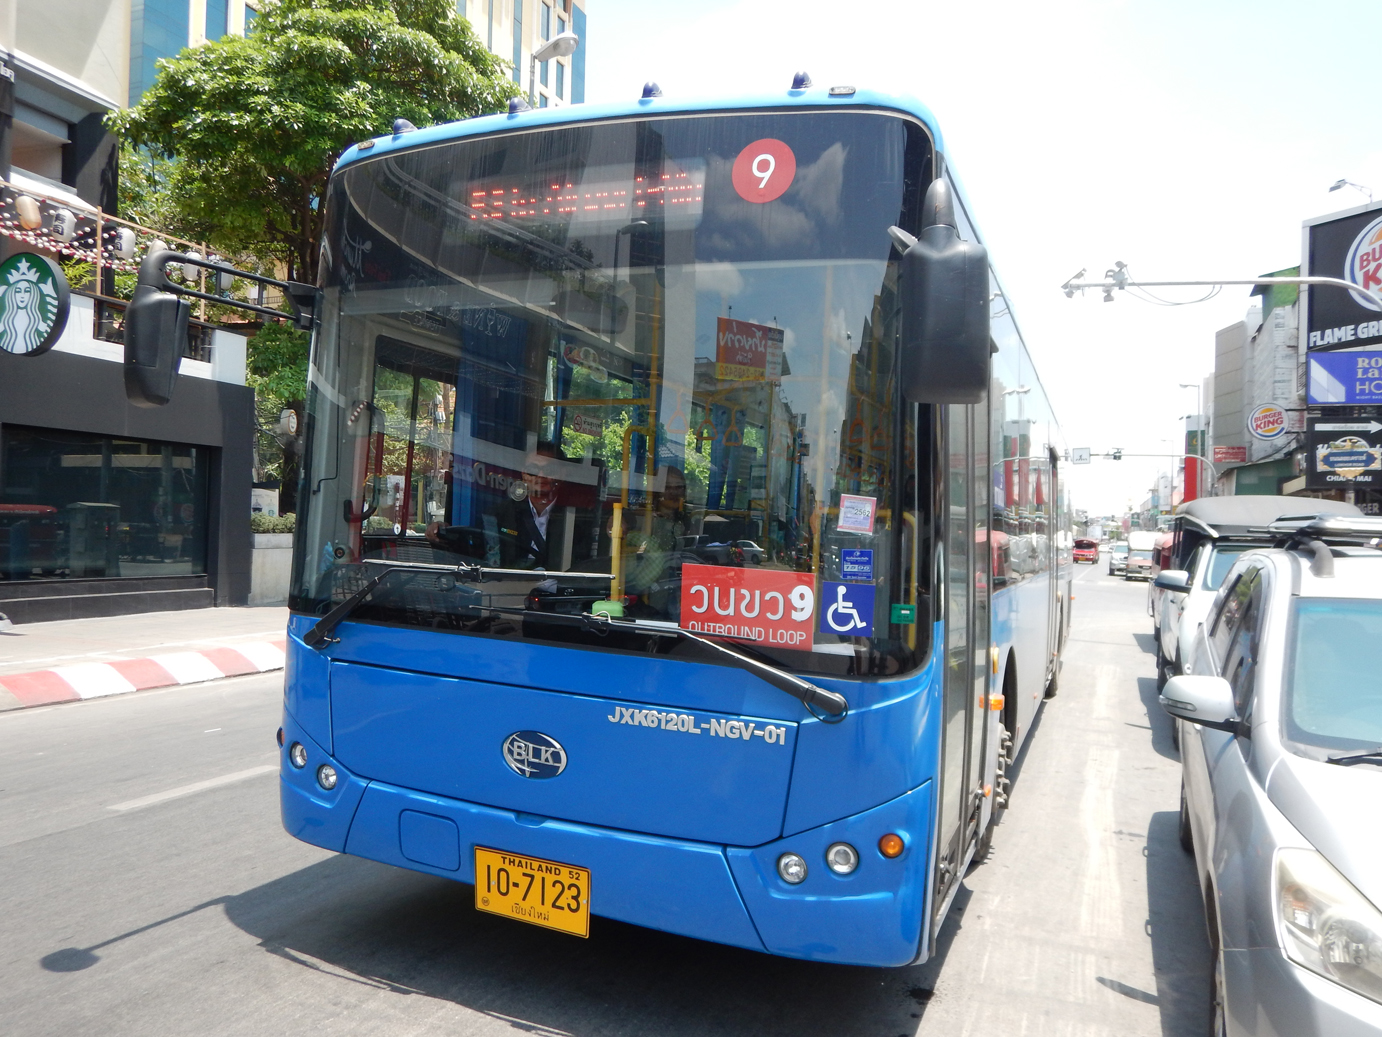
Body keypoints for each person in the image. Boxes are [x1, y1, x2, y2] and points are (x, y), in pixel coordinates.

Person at [492, 444, 566, 569]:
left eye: (549, 470)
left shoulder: (574, 516)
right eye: (533, 469)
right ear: (524, 474)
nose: (541, 475)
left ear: (562, 474)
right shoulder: (503, 512)